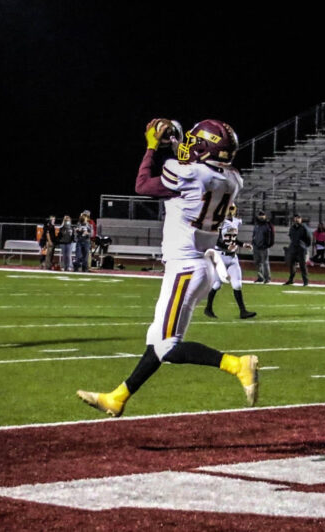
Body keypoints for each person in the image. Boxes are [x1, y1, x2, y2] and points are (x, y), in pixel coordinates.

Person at [77, 118, 258, 417]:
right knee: (157, 342)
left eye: (194, 141)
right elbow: (198, 166)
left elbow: (142, 184)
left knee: (167, 346)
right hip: (198, 265)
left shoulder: (187, 174)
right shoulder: (233, 178)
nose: (188, 145)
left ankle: (238, 365)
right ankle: (117, 398)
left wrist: (151, 146)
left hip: (185, 268)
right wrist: (175, 142)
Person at [204, 205, 256, 320]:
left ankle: (243, 311)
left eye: (231, 208)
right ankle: (208, 308)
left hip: (232, 257)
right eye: (228, 208)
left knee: (237, 285)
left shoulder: (236, 221)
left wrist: (243, 244)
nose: (229, 211)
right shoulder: (219, 222)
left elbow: (233, 239)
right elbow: (215, 240)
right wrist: (227, 247)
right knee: (217, 285)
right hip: (220, 257)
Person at [284, 214, 312, 285]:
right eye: (296, 218)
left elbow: (309, 239)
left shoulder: (304, 228)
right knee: (291, 265)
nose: (297, 219)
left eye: (298, 218)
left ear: (301, 219)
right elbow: (291, 236)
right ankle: (291, 280)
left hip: (301, 249)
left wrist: (304, 246)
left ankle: (305, 281)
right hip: (293, 248)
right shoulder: (292, 228)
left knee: (302, 266)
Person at [252, 210, 274, 283]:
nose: (261, 216)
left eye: (263, 215)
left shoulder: (268, 225)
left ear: (265, 216)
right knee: (257, 263)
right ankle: (260, 277)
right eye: (260, 215)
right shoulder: (256, 224)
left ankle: (267, 278)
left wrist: (268, 245)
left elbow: (272, 236)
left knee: (265, 263)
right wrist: (253, 243)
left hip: (264, 247)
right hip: (256, 246)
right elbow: (254, 234)